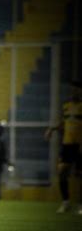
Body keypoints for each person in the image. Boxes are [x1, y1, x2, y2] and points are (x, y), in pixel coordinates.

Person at [45, 81, 82, 214]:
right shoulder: (66, 106)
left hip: (79, 145)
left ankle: (80, 205)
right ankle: (66, 202)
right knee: (62, 172)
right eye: (72, 90)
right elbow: (63, 123)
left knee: (79, 174)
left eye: (76, 90)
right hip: (67, 145)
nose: (74, 92)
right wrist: (52, 129)